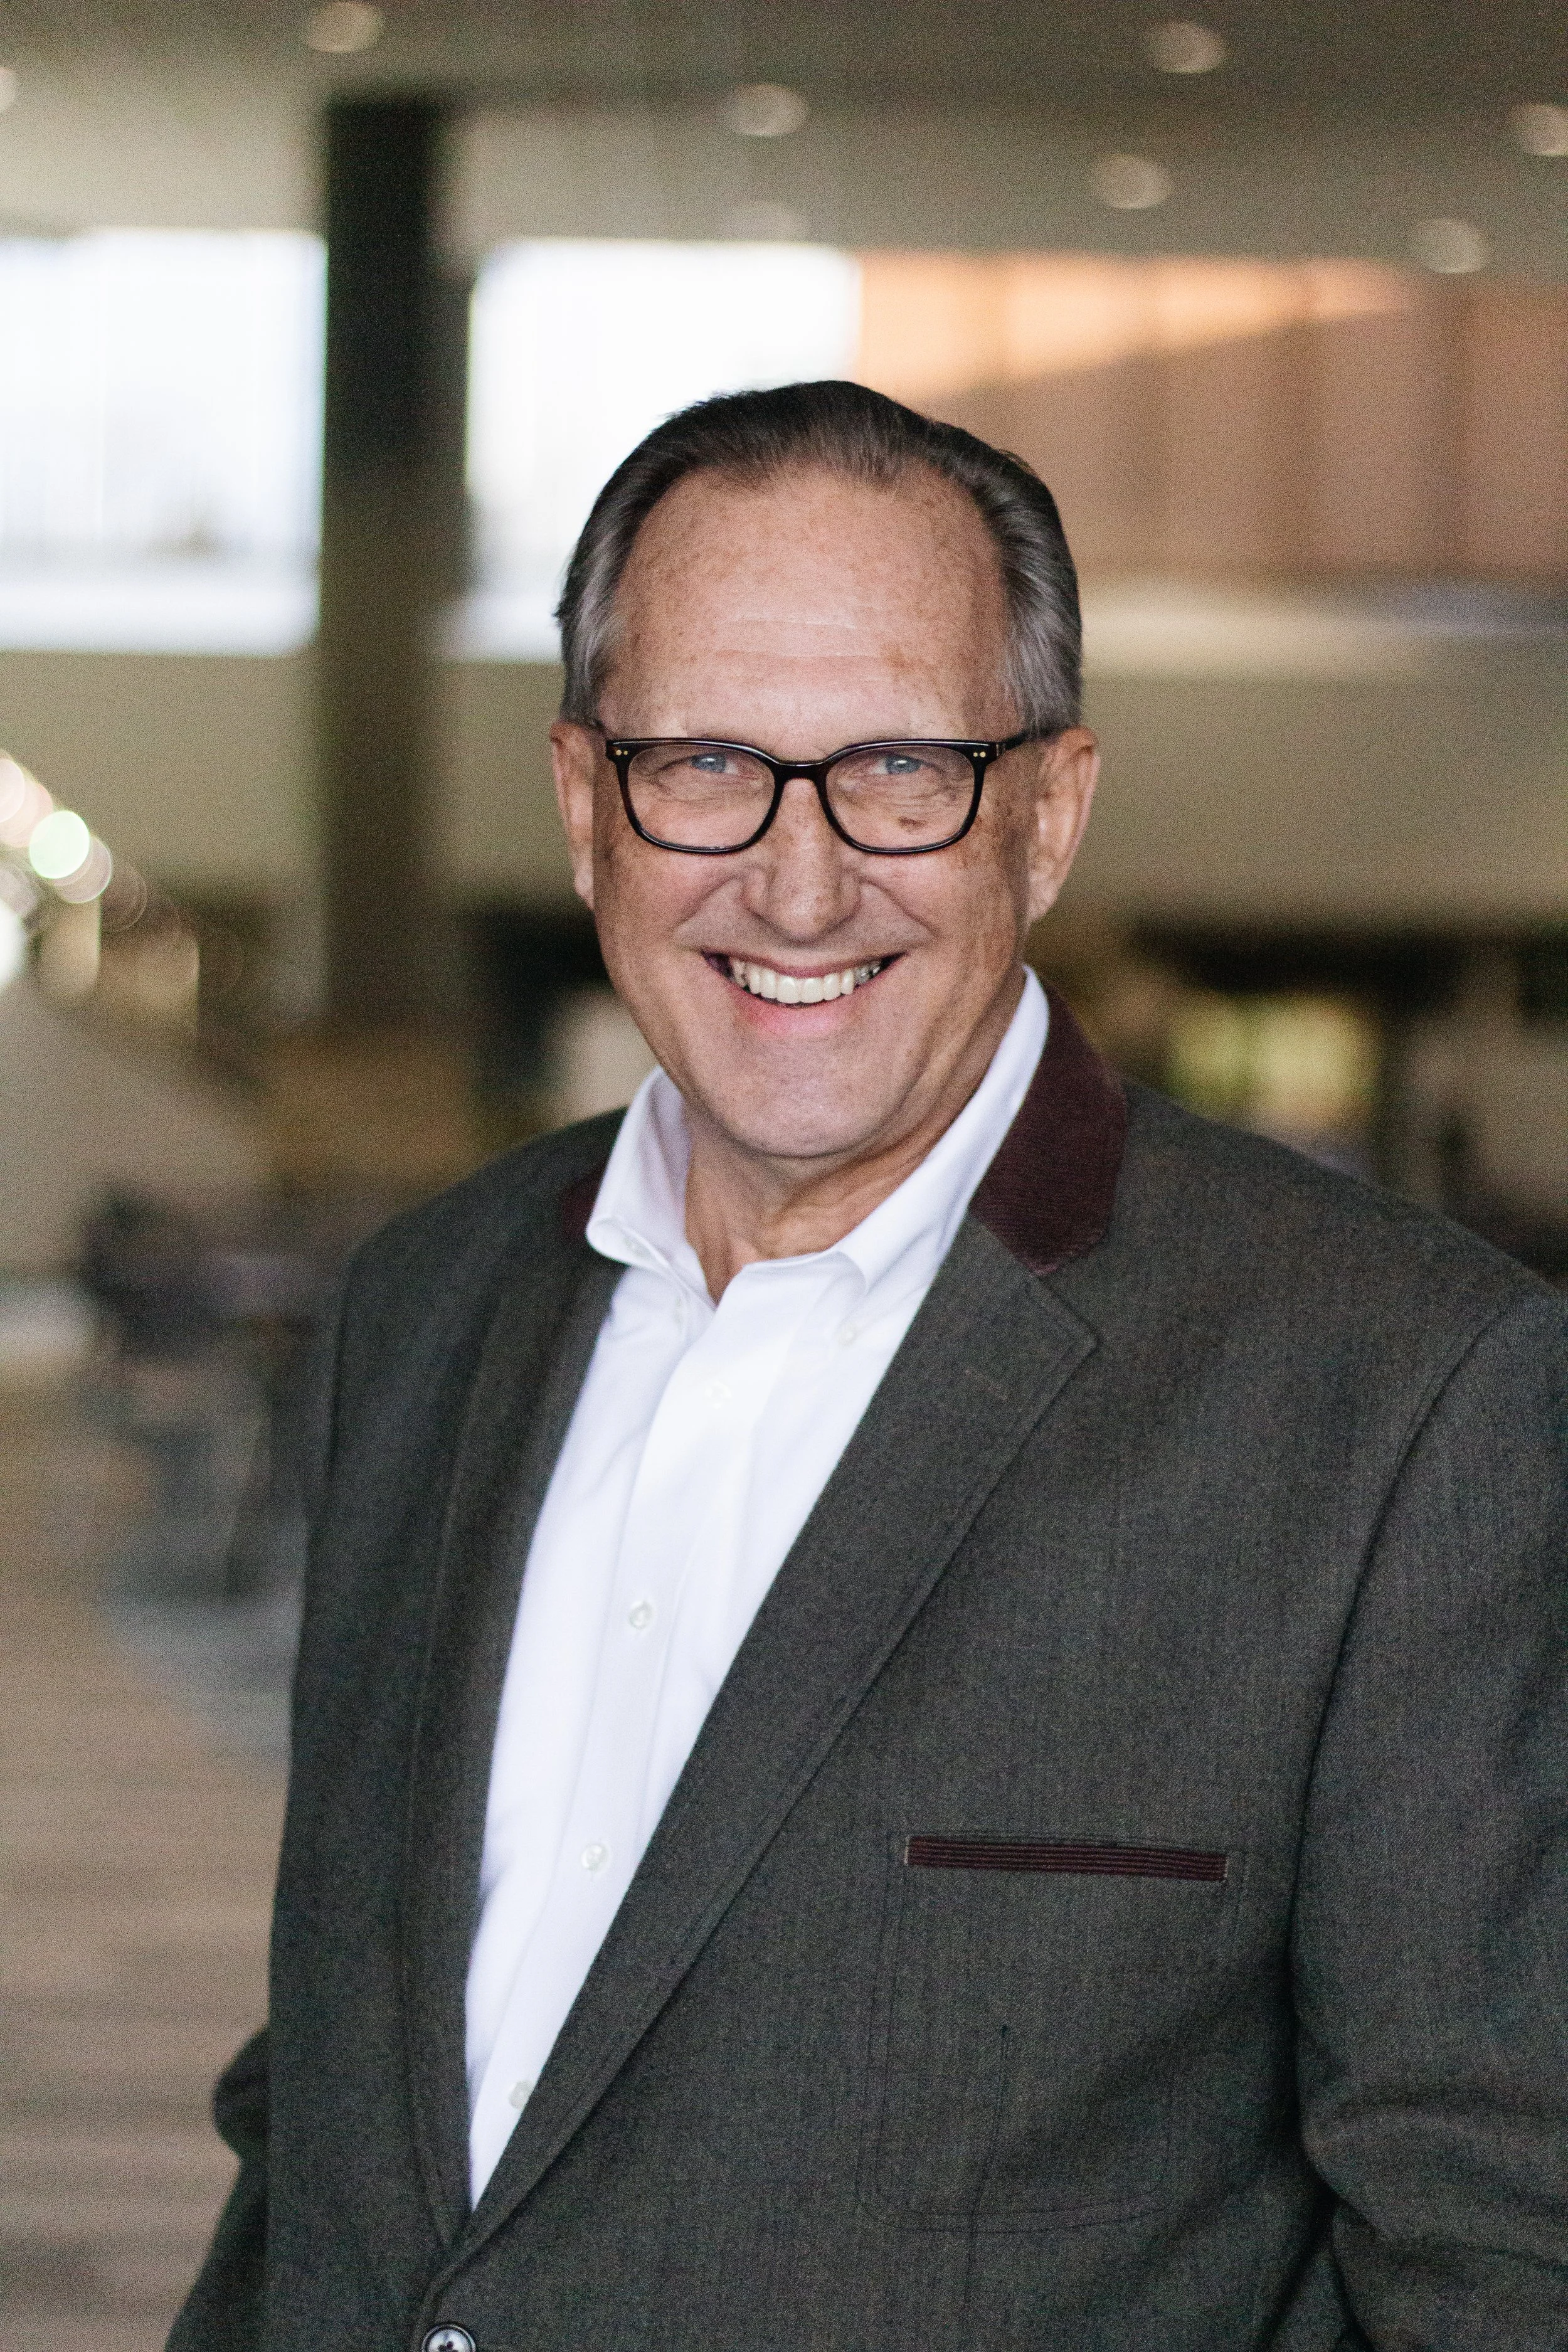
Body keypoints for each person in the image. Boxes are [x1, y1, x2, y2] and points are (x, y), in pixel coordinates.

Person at [171, 381, 1567, 2351]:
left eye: (900, 767)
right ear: (584, 804)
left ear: (1048, 811)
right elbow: (333, 2089)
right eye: (706, 765)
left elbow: (1507, 2243)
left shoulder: (1396, 1400)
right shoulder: (430, 1311)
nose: (799, 881)